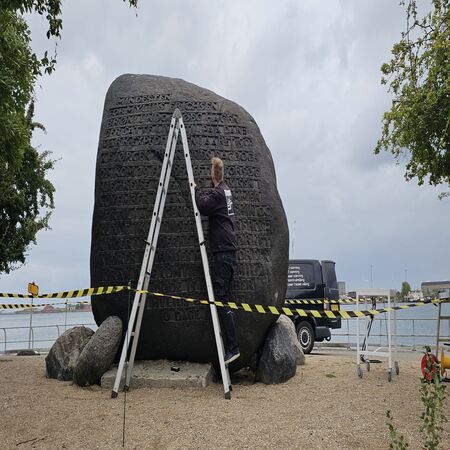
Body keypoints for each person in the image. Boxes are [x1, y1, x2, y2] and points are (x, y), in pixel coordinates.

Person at [194, 157, 240, 365]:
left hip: (222, 251)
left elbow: (203, 205)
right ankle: (233, 345)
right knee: (227, 300)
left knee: (221, 298)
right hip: (229, 249)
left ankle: (232, 347)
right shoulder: (227, 191)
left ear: (213, 174)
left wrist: (194, 190)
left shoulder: (218, 193)